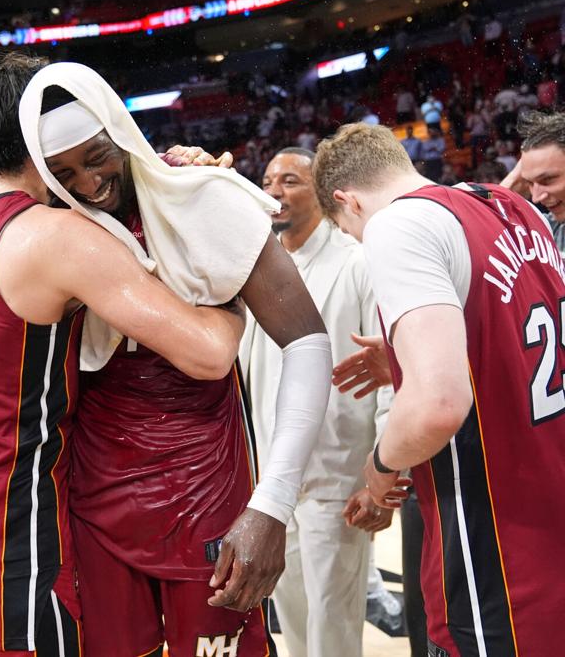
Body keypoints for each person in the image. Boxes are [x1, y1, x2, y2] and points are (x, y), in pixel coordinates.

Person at [0, 56, 332, 657]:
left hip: (204, 495)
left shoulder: (200, 196)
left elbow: (307, 342)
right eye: (63, 170)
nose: (88, 184)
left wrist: (272, 505)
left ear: (119, 129)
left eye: (96, 158)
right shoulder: (55, 220)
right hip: (90, 507)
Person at [314, 122, 565, 656]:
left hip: (495, 541)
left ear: (346, 201)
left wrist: (381, 466)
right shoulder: (510, 205)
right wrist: (407, 359)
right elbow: (512, 346)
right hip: (550, 509)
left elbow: (438, 405)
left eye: (349, 231)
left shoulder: (396, 225)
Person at [240, 147, 392, 657]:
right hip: (274, 478)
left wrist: (384, 472)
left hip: (338, 475)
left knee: (333, 622)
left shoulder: (357, 260)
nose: (275, 191)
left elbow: (390, 371)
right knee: (293, 621)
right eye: (268, 181)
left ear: (323, 193)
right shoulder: (257, 265)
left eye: (290, 181)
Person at [502, 110, 565, 250]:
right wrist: (513, 180)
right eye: (529, 183)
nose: (536, 198)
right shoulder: (550, 230)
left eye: (547, 179)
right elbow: (484, 220)